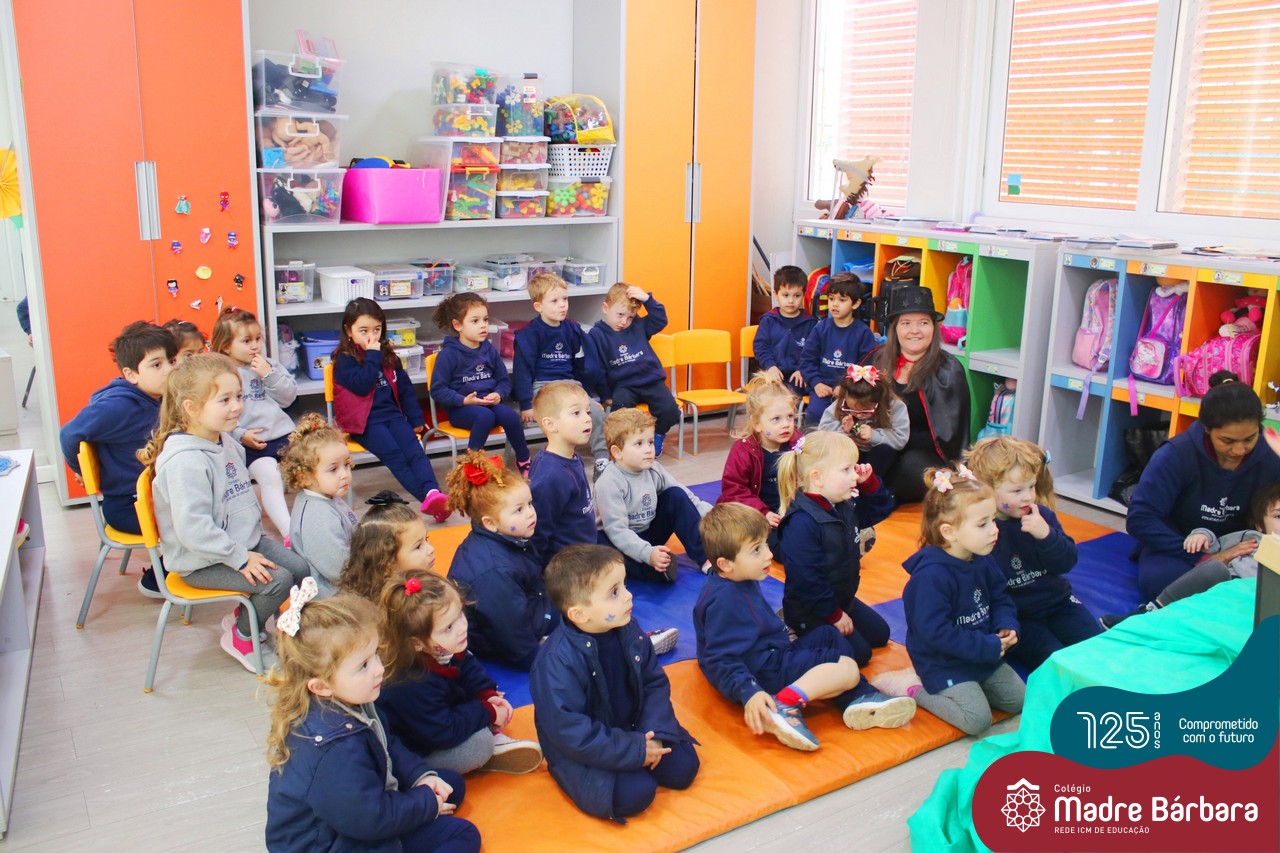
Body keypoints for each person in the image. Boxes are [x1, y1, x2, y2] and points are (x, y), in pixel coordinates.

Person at [264, 584, 480, 853]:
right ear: (321, 686)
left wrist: (420, 777)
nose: (379, 669)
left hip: (358, 812)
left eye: (375, 654)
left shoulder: (351, 698)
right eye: (363, 665)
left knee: (449, 785)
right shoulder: (336, 748)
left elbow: (386, 744)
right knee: (463, 834)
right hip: (338, 842)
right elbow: (370, 819)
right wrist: (426, 804)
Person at [137, 354, 310, 673]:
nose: (237, 407)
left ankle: (260, 621)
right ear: (191, 408)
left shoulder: (223, 439)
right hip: (201, 560)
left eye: (239, 396)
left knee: (300, 567)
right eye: (225, 400)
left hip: (240, 543)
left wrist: (245, 549)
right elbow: (194, 531)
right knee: (278, 581)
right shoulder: (185, 462)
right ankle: (243, 635)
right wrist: (240, 558)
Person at [694, 504, 915, 752]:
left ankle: (855, 697)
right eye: (757, 550)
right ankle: (785, 704)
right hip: (762, 672)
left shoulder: (737, 578)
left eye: (765, 545)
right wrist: (750, 692)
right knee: (848, 668)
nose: (768, 554)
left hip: (771, 654)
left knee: (828, 635)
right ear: (725, 564)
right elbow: (719, 659)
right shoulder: (724, 601)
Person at [531, 544, 700, 821]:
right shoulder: (556, 662)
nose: (628, 595)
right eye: (614, 592)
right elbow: (571, 732)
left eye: (624, 585)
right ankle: (626, 761)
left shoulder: (628, 629)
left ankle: (643, 749)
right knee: (637, 794)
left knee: (683, 768)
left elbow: (653, 684)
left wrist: (654, 733)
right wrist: (635, 750)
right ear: (579, 614)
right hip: (587, 748)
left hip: (631, 726)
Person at [895, 466, 1025, 737]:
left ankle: (974, 684)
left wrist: (1005, 624)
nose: (994, 530)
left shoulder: (981, 557)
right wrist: (987, 646)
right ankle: (913, 689)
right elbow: (935, 633)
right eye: (982, 524)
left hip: (981, 653)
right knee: (977, 720)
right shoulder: (931, 577)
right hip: (944, 661)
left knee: (1018, 699)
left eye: (993, 520)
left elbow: (1000, 596)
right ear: (949, 532)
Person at [1126, 372, 1280, 601]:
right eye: (1227, 441)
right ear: (1207, 428)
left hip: (1246, 546)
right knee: (1161, 582)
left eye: (1249, 439)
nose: (1239, 450)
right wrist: (1205, 558)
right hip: (1183, 544)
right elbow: (1140, 518)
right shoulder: (1176, 455)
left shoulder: (1271, 456)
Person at [376, 570, 544, 775]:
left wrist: (486, 695)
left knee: (480, 709)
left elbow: (469, 668)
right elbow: (442, 731)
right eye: (448, 628)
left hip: (440, 719)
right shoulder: (410, 683)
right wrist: (487, 712)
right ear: (416, 643)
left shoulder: (443, 646)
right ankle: (487, 751)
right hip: (418, 749)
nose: (461, 628)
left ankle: (490, 737)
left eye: (460, 615)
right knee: (479, 745)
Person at [59, 320, 176, 596]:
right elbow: (69, 434)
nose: (169, 370)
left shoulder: (155, 396)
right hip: (128, 506)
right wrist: (85, 473)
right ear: (131, 374)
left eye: (171, 361)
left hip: (153, 496)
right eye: (157, 365)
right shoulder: (119, 406)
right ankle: (157, 580)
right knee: (195, 519)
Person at [965, 436, 1098, 670]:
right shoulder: (982, 530)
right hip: (1019, 616)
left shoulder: (1042, 516)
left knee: (1097, 647)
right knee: (1055, 660)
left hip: (1058, 603)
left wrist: (1046, 536)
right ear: (987, 490)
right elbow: (982, 589)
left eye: (1031, 487)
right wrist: (1002, 624)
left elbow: (1067, 561)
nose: (1027, 496)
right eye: (1017, 490)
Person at [775, 431, 895, 667]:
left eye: (854, 468)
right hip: (812, 609)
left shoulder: (844, 504)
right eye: (846, 470)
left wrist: (870, 484)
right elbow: (807, 580)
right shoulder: (801, 522)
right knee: (859, 655)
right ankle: (794, 631)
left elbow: (880, 510)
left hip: (842, 598)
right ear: (817, 478)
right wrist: (834, 615)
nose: (855, 475)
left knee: (880, 634)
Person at [331, 298, 449, 522]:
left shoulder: (387, 355)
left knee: (414, 450)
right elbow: (362, 385)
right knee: (396, 457)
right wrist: (372, 355)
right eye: (364, 330)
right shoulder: (345, 360)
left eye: (377, 329)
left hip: (391, 415)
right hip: (364, 423)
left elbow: (405, 388)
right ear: (348, 330)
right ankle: (428, 500)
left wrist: (415, 418)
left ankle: (433, 492)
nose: (372, 336)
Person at [1105, 481, 1280, 628]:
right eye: (1278, 516)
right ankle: (1153, 610)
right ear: (1260, 525)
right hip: (1227, 591)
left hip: (1259, 603)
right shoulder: (1251, 538)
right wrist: (1201, 535)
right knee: (1214, 568)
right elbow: (1215, 546)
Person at [442, 451, 559, 670]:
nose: (531, 513)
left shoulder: (510, 537)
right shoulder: (495, 571)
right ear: (490, 523)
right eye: (519, 510)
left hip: (529, 606)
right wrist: (541, 664)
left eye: (530, 504)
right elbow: (512, 634)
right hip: (506, 641)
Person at [870, 285, 970, 503]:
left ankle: (880, 497)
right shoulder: (876, 360)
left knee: (915, 468)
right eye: (906, 323)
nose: (914, 330)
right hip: (878, 445)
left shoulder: (948, 370)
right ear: (895, 328)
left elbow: (949, 437)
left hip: (920, 454)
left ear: (934, 328)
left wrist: (896, 440)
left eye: (923, 323)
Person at [596, 407, 713, 582]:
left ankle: (704, 557)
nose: (648, 449)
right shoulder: (609, 482)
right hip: (617, 539)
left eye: (650, 442)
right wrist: (648, 554)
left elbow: (685, 496)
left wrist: (714, 516)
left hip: (648, 531)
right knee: (603, 547)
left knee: (675, 495)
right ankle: (650, 568)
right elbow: (617, 531)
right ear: (617, 452)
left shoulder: (654, 469)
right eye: (639, 444)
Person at [514, 271, 609, 477]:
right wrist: (525, 404)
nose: (562, 305)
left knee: (595, 412)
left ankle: (602, 459)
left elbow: (580, 365)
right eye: (555, 301)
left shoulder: (572, 329)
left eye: (565, 299)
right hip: (543, 386)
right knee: (564, 414)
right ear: (538, 306)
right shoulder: (529, 334)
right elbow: (522, 371)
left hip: (570, 384)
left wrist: (588, 394)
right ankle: (561, 458)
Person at [212, 308, 297, 538]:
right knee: (270, 475)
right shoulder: (222, 375)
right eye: (246, 341)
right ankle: (289, 533)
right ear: (226, 346)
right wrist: (241, 434)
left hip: (284, 435)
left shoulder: (269, 365)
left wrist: (269, 375)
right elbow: (217, 419)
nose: (255, 346)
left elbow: (288, 398)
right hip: (250, 443)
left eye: (258, 339)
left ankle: (322, 519)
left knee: (314, 464)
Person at [430, 292, 531, 476]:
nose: (483, 325)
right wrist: (463, 400)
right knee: (484, 417)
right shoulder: (448, 355)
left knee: (511, 416)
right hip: (460, 409)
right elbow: (437, 390)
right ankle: (471, 465)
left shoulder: (489, 349)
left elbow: (503, 380)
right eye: (475, 321)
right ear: (458, 325)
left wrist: (499, 394)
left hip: (488, 404)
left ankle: (524, 461)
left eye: (485, 319)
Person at [583, 283, 678, 457]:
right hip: (624, 386)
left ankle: (656, 436)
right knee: (619, 414)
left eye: (630, 317)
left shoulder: (638, 326)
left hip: (652, 382)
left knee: (671, 411)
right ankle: (623, 444)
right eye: (620, 315)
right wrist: (605, 395)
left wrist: (647, 299)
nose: (624, 322)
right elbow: (598, 369)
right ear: (605, 308)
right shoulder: (596, 334)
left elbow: (660, 319)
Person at [279, 413, 356, 599]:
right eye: (333, 469)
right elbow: (339, 571)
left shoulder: (328, 496)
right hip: (332, 600)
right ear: (304, 476)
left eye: (346, 465)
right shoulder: (317, 516)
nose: (344, 474)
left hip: (347, 586)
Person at [718, 372, 799, 543]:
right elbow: (734, 490)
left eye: (790, 417)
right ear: (757, 424)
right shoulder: (743, 450)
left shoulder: (799, 444)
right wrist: (762, 512)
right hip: (754, 514)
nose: (786, 424)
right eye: (776, 419)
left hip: (790, 511)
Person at [527, 381, 598, 563]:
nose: (587, 419)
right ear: (551, 425)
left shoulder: (572, 457)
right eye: (576, 413)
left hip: (586, 548)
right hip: (569, 563)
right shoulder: (550, 475)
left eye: (588, 412)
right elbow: (538, 531)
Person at [800, 273, 877, 427]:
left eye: (842, 300)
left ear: (855, 304)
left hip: (851, 391)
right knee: (814, 414)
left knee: (848, 420)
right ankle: (811, 442)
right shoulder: (820, 328)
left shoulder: (863, 333)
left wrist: (846, 387)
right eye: (831, 299)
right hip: (822, 388)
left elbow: (866, 367)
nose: (835, 304)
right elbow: (807, 360)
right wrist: (816, 383)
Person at [816, 364, 909, 480]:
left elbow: (900, 439)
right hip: (850, 456)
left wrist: (874, 435)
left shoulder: (895, 406)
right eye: (852, 410)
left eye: (865, 411)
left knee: (884, 450)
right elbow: (823, 429)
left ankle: (868, 484)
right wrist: (845, 431)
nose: (859, 415)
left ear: (878, 401)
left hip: (875, 460)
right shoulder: (842, 402)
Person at [338, 493, 436, 602]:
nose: (431, 549)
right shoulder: (393, 605)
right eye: (418, 546)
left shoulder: (425, 582)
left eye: (426, 539)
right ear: (387, 563)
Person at [753, 265, 817, 394]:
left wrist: (802, 370)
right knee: (767, 393)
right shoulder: (768, 320)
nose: (791, 301)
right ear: (776, 295)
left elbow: (813, 352)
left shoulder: (810, 323)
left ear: (803, 295)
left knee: (794, 392)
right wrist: (771, 366)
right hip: (772, 372)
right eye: (785, 295)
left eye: (797, 295)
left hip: (798, 376)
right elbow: (760, 346)